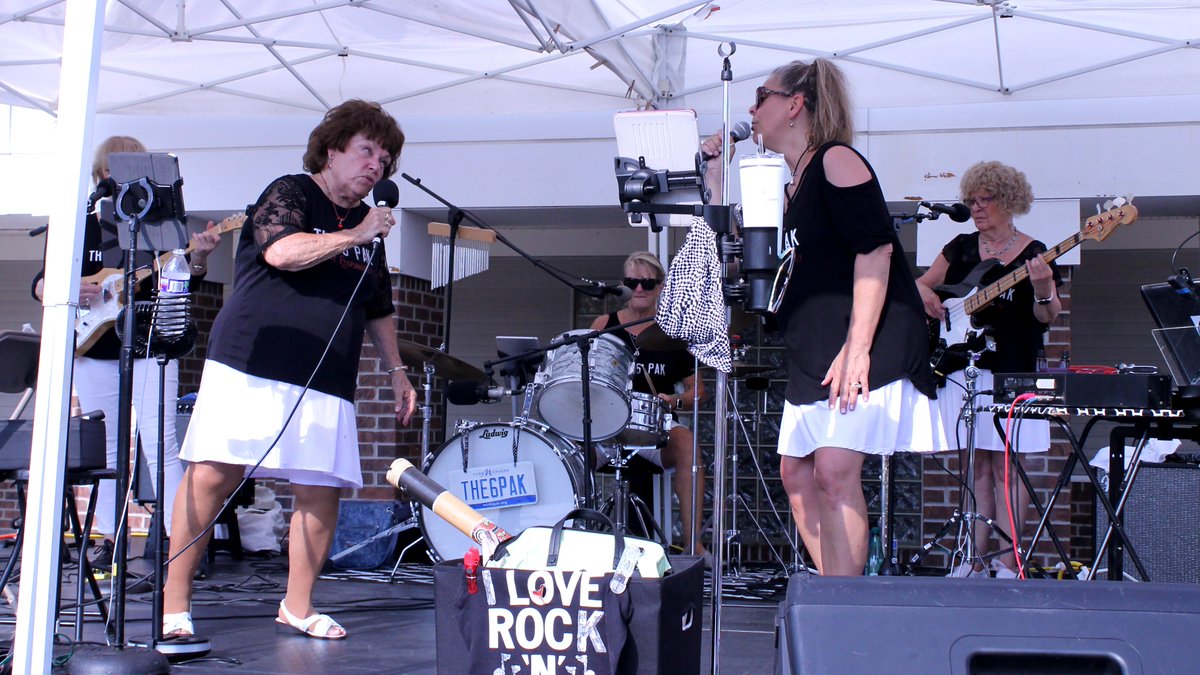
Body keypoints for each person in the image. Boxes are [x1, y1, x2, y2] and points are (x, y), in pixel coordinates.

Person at [162, 100, 415, 640]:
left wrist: (397, 371)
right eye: (366, 150)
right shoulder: (292, 191)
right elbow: (282, 252)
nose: (376, 164)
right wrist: (355, 234)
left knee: (320, 490)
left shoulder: (369, 229)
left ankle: (297, 606)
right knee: (213, 474)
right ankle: (174, 604)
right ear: (332, 149)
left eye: (385, 159)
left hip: (327, 375)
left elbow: (380, 308)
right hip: (254, 358)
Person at [700, 58, 946, 576]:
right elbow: (745, 256)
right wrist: (717, 177)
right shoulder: (789, 185)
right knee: (796, 476)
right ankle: (835, 589)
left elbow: (876, 250)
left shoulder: (837, 160)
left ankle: (847, 606)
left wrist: (857, 348)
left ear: (795, 104)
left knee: (834, 471)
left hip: (864, 339)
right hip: (813, 349)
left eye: (761, 96)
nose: (750, 108)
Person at [32, 135, 221, 569]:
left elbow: (178, 287)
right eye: (114, 173)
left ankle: (182, 542)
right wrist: (65, 288)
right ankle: (106, 540)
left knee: (162, 444)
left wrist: (198, 262)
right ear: (103, 176)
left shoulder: (161, 227)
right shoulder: (80, 222)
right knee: (105, 449)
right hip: (94, 348)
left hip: (151, 345)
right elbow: (41, 285)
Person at [916, 161, 1062, 578]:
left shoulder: (1035, 252)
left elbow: (1048, 314)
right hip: (966, 369)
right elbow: (922, 282)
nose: (977, 208)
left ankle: (1007, 560)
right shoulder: (960, 247)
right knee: (975, 466)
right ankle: (972, 560)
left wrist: (1042, 288)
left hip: (1011, 370)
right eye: (972, 201)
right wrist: (927, 297)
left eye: (986, 200)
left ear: (1010, 201)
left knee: (1008, 467)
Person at [589, 251, 707, 556]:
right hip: (609, 422)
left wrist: (675, 400)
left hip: (655, 422)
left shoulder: (673, 331)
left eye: (647, 282)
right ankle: (576, 536)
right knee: (572, 449)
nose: (639, 289)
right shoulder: (605, 324)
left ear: (661, 286)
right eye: (632, 282)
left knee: (688, 447)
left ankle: (693, 544)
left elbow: (698, 391)